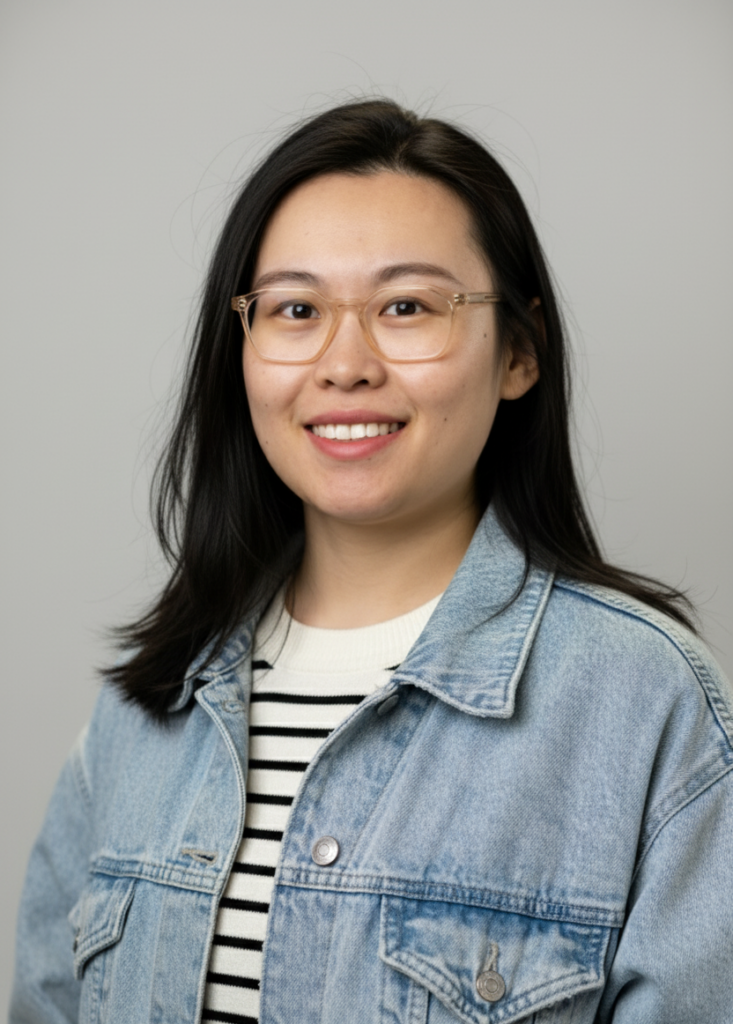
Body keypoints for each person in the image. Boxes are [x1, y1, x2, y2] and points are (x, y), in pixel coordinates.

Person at [11, 99, 733, 1024]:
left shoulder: (644, 707)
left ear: (519, 352)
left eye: (406, 307)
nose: (344, 364)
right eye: (295, 309)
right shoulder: (143, 710)